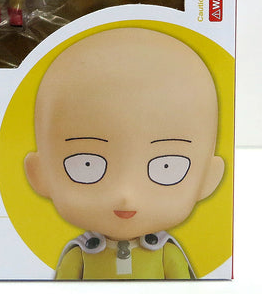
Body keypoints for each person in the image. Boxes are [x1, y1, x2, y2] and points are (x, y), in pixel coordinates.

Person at [24, 27, 224, 279]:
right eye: (87, 165)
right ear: (39, 173)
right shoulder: (80, 255)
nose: (125, 195)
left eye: (166, 167)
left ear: (208, 177)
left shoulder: (166, 253)